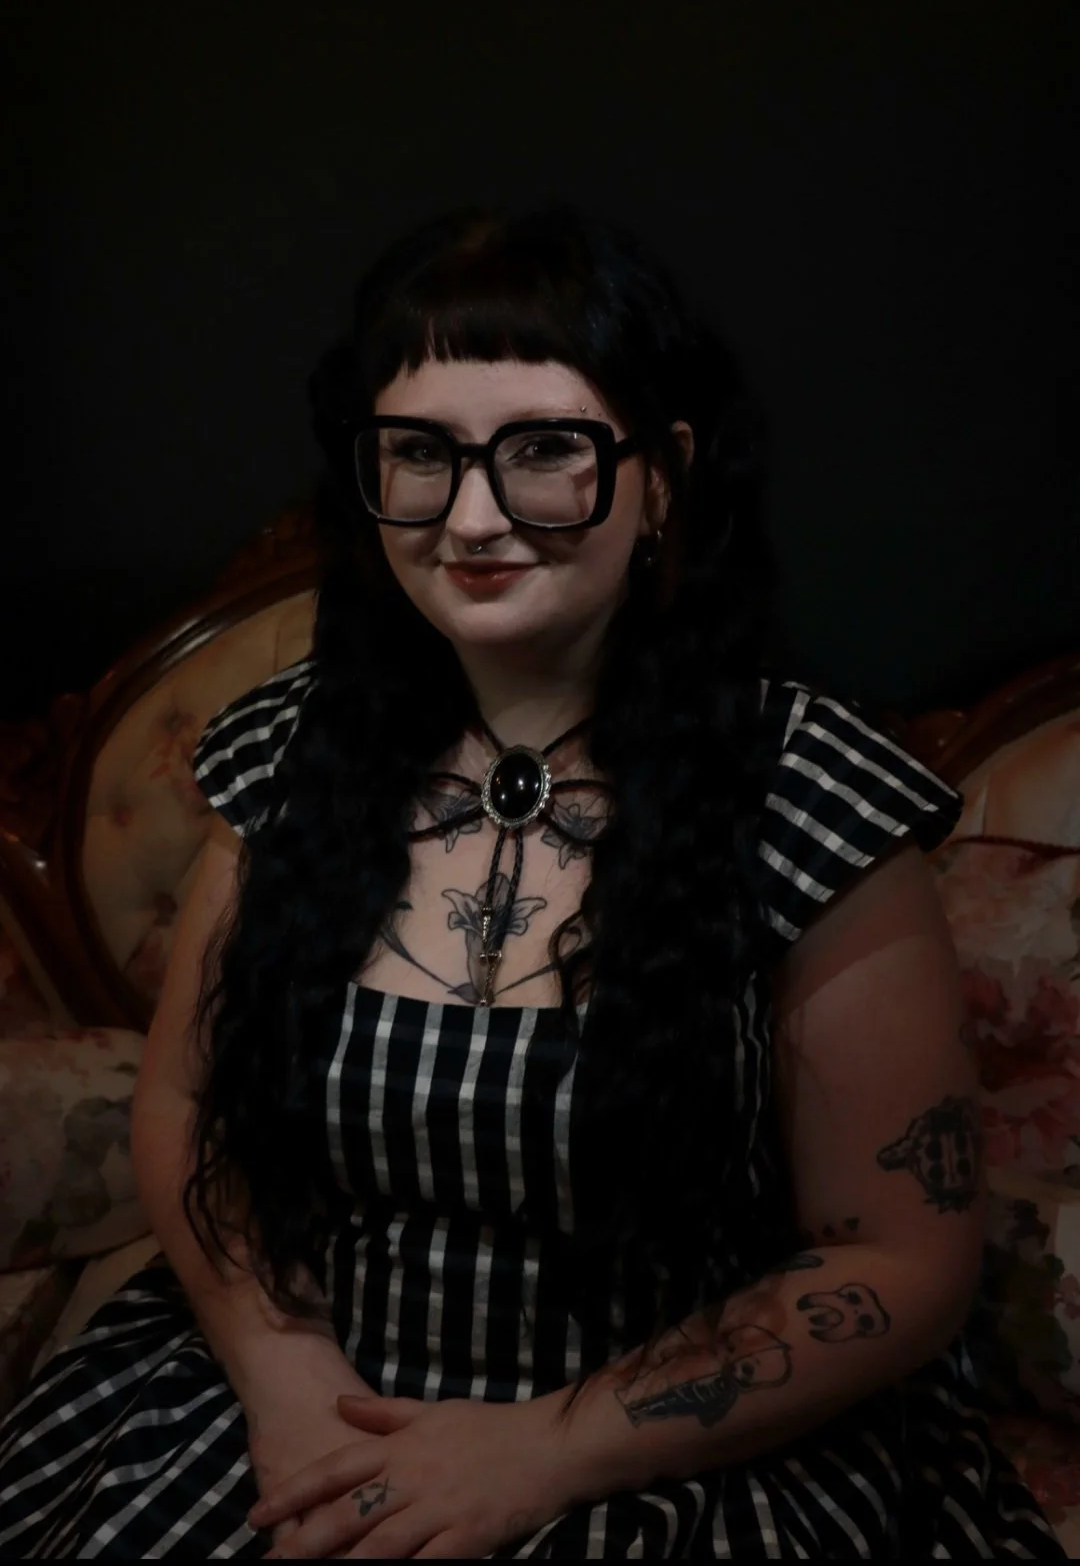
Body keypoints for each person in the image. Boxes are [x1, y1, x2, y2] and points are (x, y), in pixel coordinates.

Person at [0, 201, 1065, 1560]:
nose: (475, 515)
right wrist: (288, 1389)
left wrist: (542, 1448)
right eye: (421, 458)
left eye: (546, 453)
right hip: (312, 1397)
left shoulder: (808, 796)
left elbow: (899, 1262)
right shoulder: (288, 756)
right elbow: (184, 1101)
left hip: (665, 1451)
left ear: (662, 474)